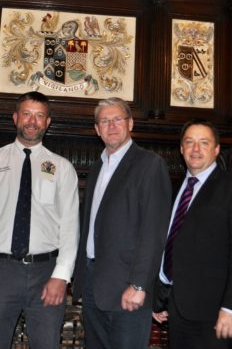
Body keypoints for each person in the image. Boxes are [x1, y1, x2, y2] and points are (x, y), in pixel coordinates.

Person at [0, 91, 79, 349]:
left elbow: (70, 226)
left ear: (47, 122)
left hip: (46, 272)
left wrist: (62, 274)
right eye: (27, 114)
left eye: (39, 115)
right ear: (15, 117)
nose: (32, 121)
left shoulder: (62, 168)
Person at [72, 97, 172, 349]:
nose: (112, 125)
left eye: (117, 119)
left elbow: (154, 231)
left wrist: (139, 284)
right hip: (93, 284)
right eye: (105, 121)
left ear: (130, 124)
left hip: (128, 287)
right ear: (97, 129)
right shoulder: (97, 168)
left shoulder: (150, 164)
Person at [152, 118, 232, 349]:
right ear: (181, 149)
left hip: (217, 314)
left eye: (204, 142)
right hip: (177, 310)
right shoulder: (175, 189)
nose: (196, 149)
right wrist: (160, 297)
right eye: (189, 142)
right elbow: (170, 244)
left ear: (216, 149)